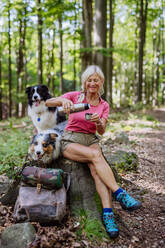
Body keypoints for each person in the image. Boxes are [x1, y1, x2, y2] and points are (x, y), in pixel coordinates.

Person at [46, 65, 142, 238]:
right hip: (70, 140)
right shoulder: (75, 96)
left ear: (101, 82)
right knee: (96, 156)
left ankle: (108, 216)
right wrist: (63, 101)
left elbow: (102, 131)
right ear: (85, 82)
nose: (92, 83)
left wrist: (98, 122)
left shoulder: (104, 105)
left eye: (96, 80)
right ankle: (120, 193)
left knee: (97, 172)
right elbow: (48, 102)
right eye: (89, 80)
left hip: (91, 139)